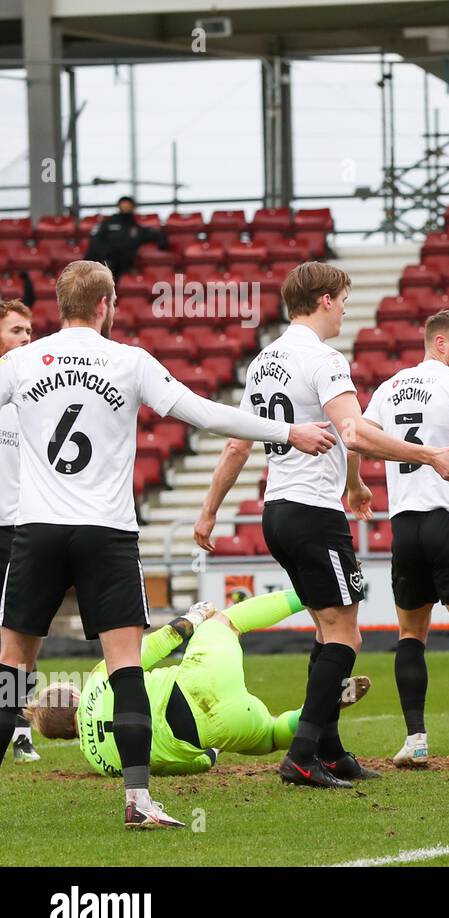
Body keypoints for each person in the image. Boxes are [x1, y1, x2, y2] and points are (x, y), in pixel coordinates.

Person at [0, 260, 337, 829]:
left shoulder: (20, 361)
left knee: (11, 670)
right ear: (107, 305)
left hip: (36, 532)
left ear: (59, 306)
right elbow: (203, 413)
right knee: (125, 668)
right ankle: (137, 801)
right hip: (106, 535)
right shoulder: (129, 361)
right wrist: (288, 431)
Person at [194, 261, 449, 790]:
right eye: (343, 298)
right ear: (324, 299)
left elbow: (239, 442)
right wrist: (429, 454)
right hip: (313, 514)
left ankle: (330, 749)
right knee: (346, 635)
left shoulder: (264, 360)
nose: (346, 307)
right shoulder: (323, 358)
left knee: (326, 630)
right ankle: (301, 756)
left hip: (278, 510)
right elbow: (355, 431)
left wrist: (211, 509)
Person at [360, 310, 449, 771]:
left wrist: (355, 486)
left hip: (406, 526)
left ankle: (416, 741)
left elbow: (356, 438)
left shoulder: (387, 388)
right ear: (439, 343)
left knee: (410, 634)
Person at [23, 591, 371, 778]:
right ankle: (308, 593)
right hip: (197, 681)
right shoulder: (100, 675)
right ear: (71, 694)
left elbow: (171, 765)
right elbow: (158, 645)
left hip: (209, 731)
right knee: (227, 621)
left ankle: (315, 710)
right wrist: (193, 618)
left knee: (269, 736)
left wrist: (207, 756)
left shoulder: (102, 764)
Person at [0, 300, 36, 761]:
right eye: (15, 331)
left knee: (23, 633)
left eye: (29, 332)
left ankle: (19, 724)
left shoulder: (31, 395)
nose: (26, 338)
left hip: (20, 526)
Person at [85, 197, 168, 280]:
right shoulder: (107, 224)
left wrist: (162, 241)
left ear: (133, 207)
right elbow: (95, 239)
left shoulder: (136, 229)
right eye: (124, 205)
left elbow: (154, 234)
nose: (126, 207)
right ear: (119, 206)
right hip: (102, 261)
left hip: (121, 266)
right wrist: (106, 254)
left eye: (128, 205)